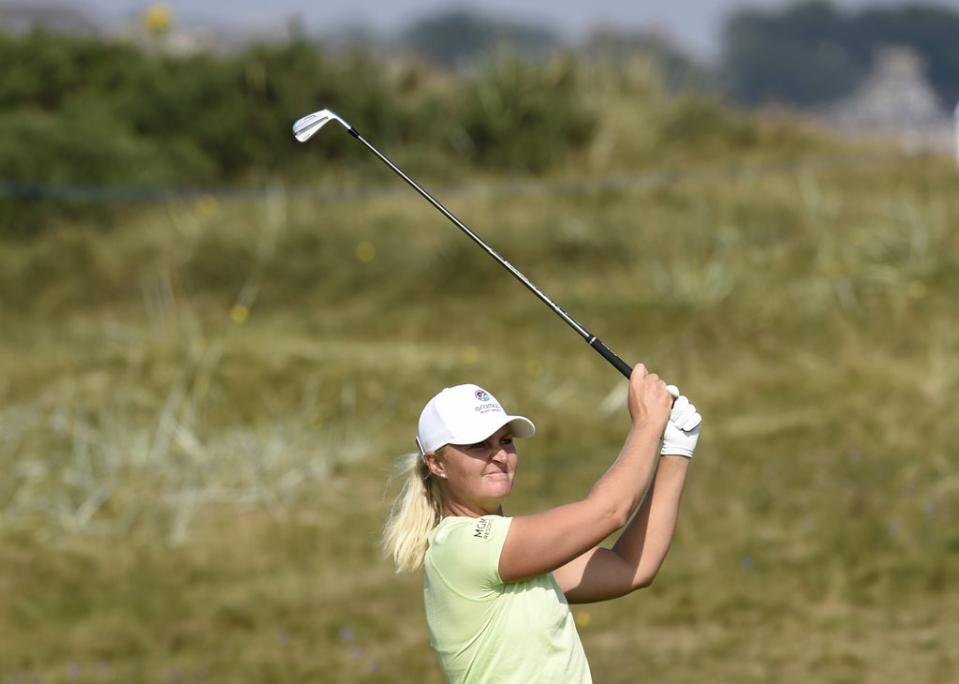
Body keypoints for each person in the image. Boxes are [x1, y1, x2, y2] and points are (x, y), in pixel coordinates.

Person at [382, 365, 702, 683]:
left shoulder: (514, 556)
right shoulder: (460, 546)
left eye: (505, 441)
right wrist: (647, 425)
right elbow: (609, 512)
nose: (499, 455)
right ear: (436, 463)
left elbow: (631, 565)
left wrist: (676, 450)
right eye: (478, 445)